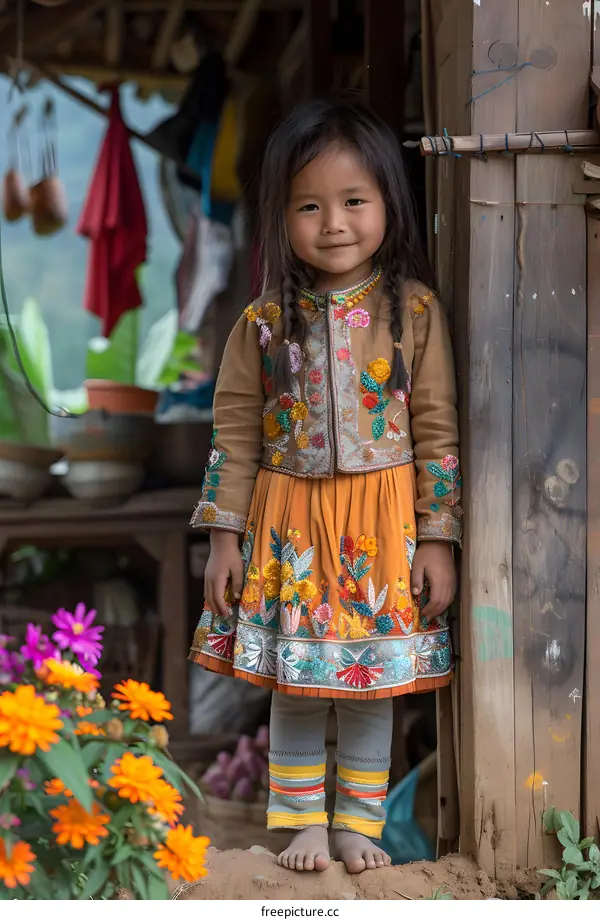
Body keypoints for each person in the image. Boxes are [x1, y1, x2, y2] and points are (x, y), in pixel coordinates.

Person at [189, 96, 461, 875]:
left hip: (383, 525)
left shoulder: (412, 313)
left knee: (369, 684)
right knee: (300, 681)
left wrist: (439, 536)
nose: (333, 222)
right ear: (281, 215)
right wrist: (222, 539)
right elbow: (234, 434)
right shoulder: (263, 323)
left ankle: (359, 825)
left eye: (353, 201)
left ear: (387, 203)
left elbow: (438, 432)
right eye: (309, 205)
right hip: (289, 524)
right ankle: (302, 820)